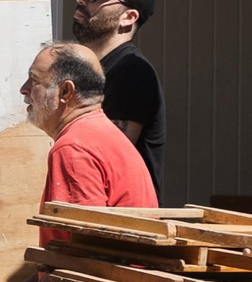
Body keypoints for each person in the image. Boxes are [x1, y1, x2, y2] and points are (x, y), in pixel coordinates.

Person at [22, 41, 159, 247]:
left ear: (66, 92)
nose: (24, 89)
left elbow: (82, 249)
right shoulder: (102, 133)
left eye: (34, 80)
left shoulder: (73, 147)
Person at [70, 0, 166, 197]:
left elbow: (104, 159)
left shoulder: (131, 72)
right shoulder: (91, 70)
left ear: (129, 17)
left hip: (120, 227)